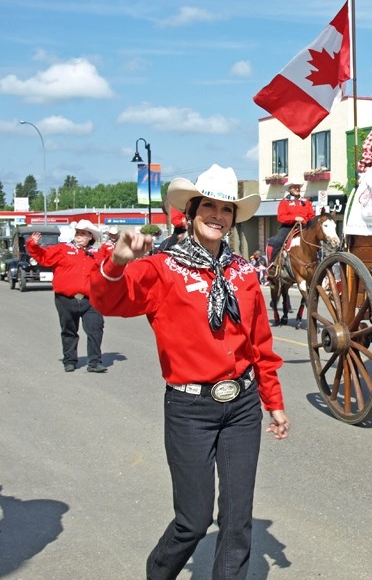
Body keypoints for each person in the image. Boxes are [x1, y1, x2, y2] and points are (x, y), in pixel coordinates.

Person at [90, 164, 289, 579]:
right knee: (193, 522)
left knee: (237, 522)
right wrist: (116, 263)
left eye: (226, 209)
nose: (218, 216)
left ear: (235, 218)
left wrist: (274, 401)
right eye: (209, 207)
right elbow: (109, 302)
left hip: (242, 406)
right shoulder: (162, 268)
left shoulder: (242, 272)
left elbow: (260, 344)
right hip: (189, 409)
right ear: (190, 213)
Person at [27, 219, 107, 373]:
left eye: (83, 234)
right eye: (77, 233)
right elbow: (43, 257)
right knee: (69, 330)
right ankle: (69, 360)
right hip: (65, 299)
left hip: (91, 299)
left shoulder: (97, 254)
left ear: (90, 237)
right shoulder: (63, 249)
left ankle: (95, 362)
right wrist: (33, 244)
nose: (79, 236)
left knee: (95, 329)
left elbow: (108, 270)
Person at [267, 180, 315, 267]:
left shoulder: (306, 202)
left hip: (305, 226)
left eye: (298, 187)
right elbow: (281, 217)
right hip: (288, 227)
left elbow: (311, 216)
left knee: (316, 240)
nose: (297, 188)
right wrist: (295, 218)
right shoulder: (284, 202)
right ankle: (273, 265)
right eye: (294, 187)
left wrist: (305, 220)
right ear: (289, 189)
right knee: (278, 241)